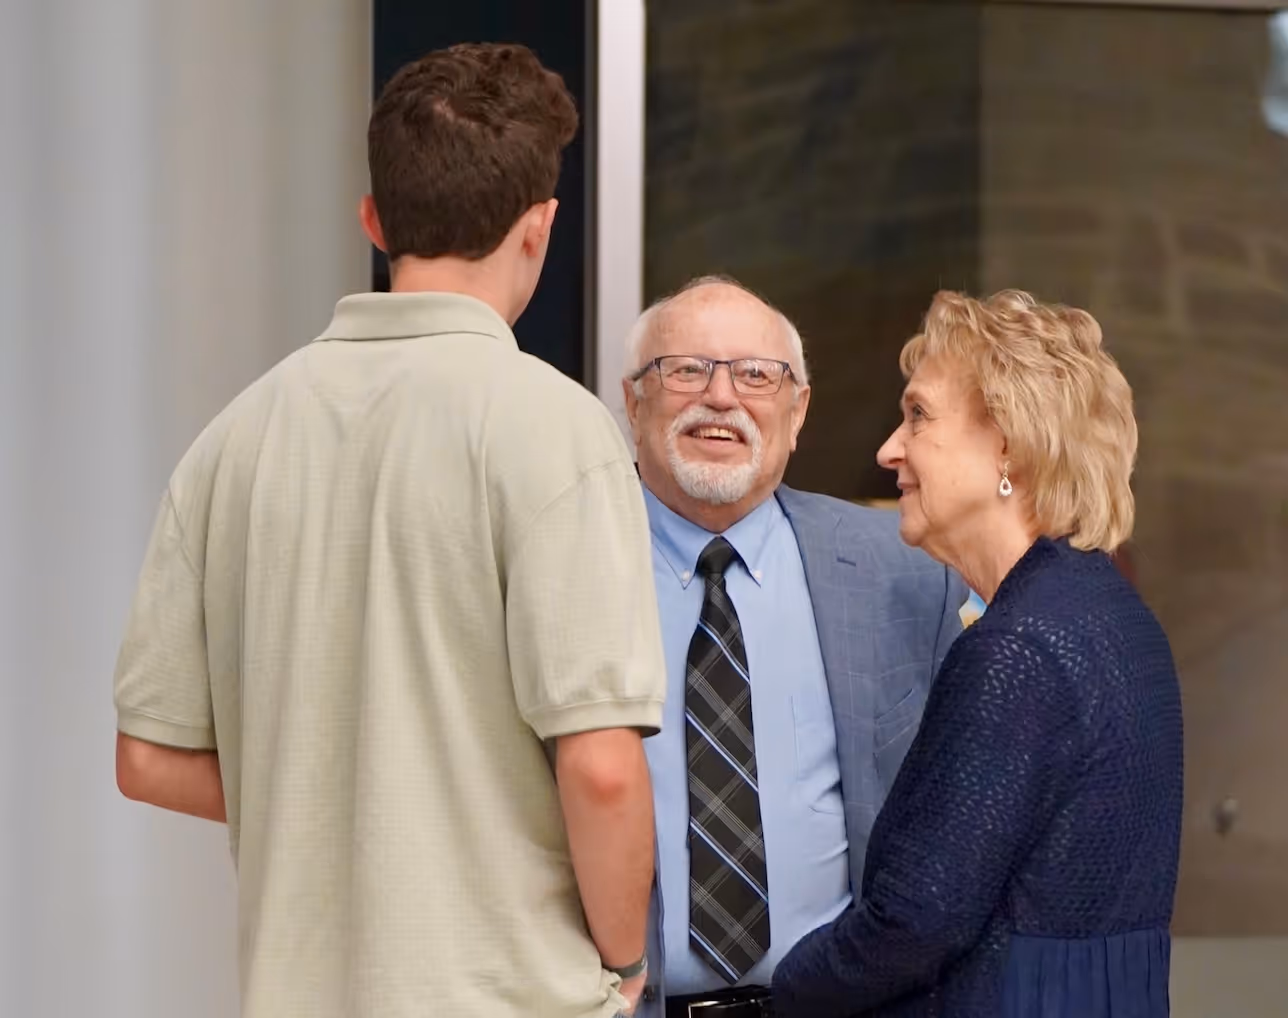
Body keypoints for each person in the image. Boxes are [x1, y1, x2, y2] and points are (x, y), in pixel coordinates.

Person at [112, 43, 666, 1018]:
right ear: (539, 229)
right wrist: (622, 967)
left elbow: (148, 758)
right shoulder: (555, 429)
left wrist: (341, 795)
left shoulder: (233, 439)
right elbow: (604, 769)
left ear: (373, 221)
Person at [772, 289, 1184, 1017]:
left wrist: (786, 992)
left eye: (919, 415)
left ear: (1008, 444)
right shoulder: (1113, 616)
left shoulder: (1018, 648)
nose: (888, 450)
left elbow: (916, 917)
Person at [619, 277, 969, 1018]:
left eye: (756, 375)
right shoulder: (565, 561)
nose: (721, 397)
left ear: (798, 409)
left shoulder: (905, 572)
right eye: (685, 369)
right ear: (633, 400)